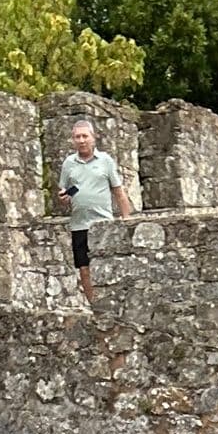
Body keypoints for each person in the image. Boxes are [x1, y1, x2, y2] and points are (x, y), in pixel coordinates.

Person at [57, 116, 132, 303]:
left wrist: (127, 220)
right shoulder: (69, 163)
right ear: (72, 140)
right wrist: (63, 198)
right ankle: (94, 305)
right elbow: (64, 194)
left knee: (107, 265)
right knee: (83, 268)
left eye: (84, 136)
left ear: (93, 137)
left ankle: (112, 303)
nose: (81, 140)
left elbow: (119, 192)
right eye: (77, 137)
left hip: (103, 223)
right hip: (79, 225)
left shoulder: (105, 161)